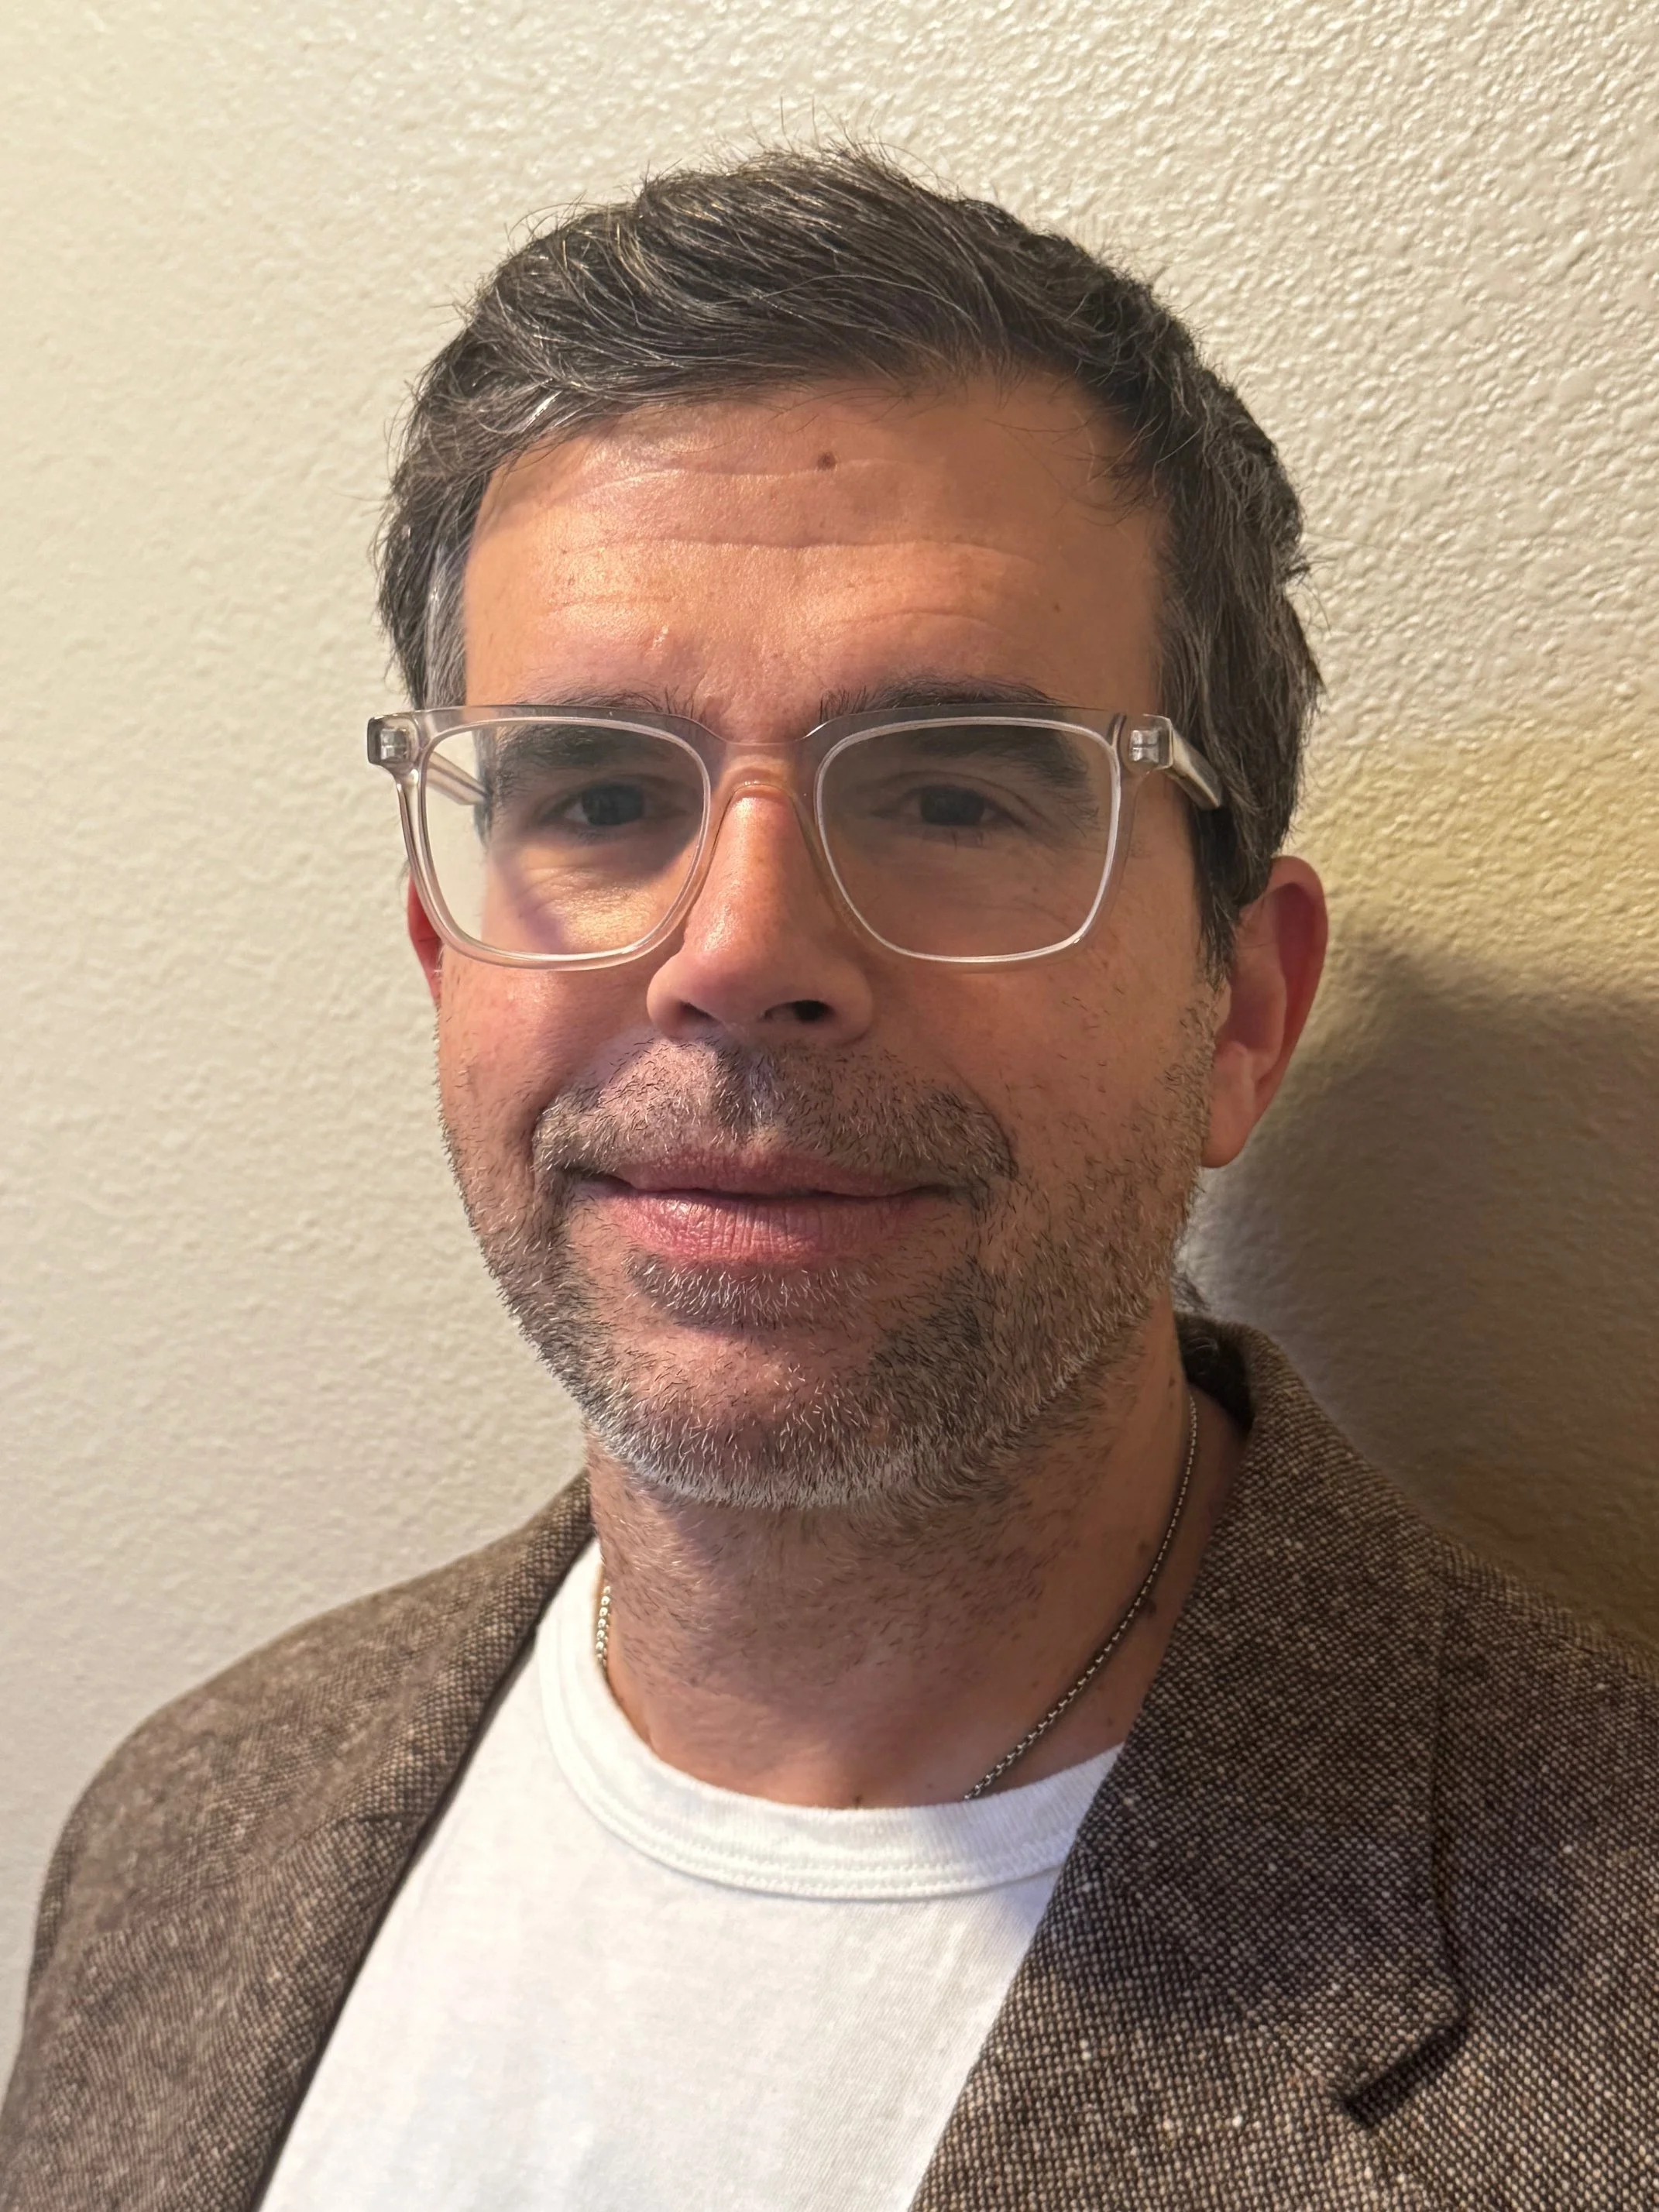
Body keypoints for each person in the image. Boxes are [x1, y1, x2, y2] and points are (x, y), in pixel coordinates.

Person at [2, 147, 1654, 2212]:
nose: (739, 954)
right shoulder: (182, 1824)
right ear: (446, 958)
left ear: (1240, 1008)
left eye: (953, 794)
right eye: (601, 791)